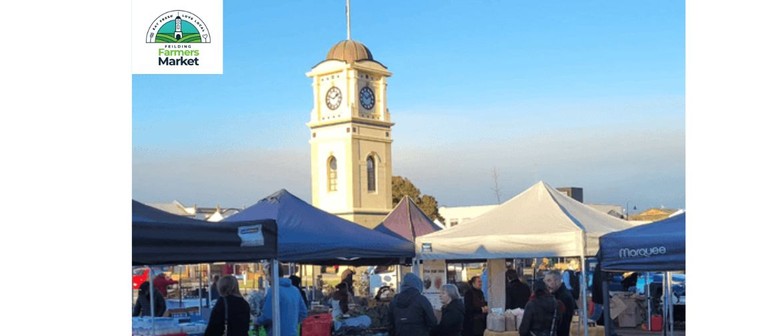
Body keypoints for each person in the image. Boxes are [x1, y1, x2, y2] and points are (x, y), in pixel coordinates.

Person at [544, 270, 576, 336]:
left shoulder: (564, 297)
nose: (546, 284)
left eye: (549, 280)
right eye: (545, 281)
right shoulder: (556, 294)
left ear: (557, 281)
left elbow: (561, 321)